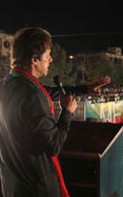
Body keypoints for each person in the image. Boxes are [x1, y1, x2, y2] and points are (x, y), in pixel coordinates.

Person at [0, 27, 110, 197]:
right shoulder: (33, 97)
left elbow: (49, 91)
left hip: (13, 186)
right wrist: (67, 113)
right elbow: (53, 145)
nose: (51, 59)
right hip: (36, 188)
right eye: (48, 55)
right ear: (34, 59)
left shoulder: (9, 83)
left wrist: (85, 88)